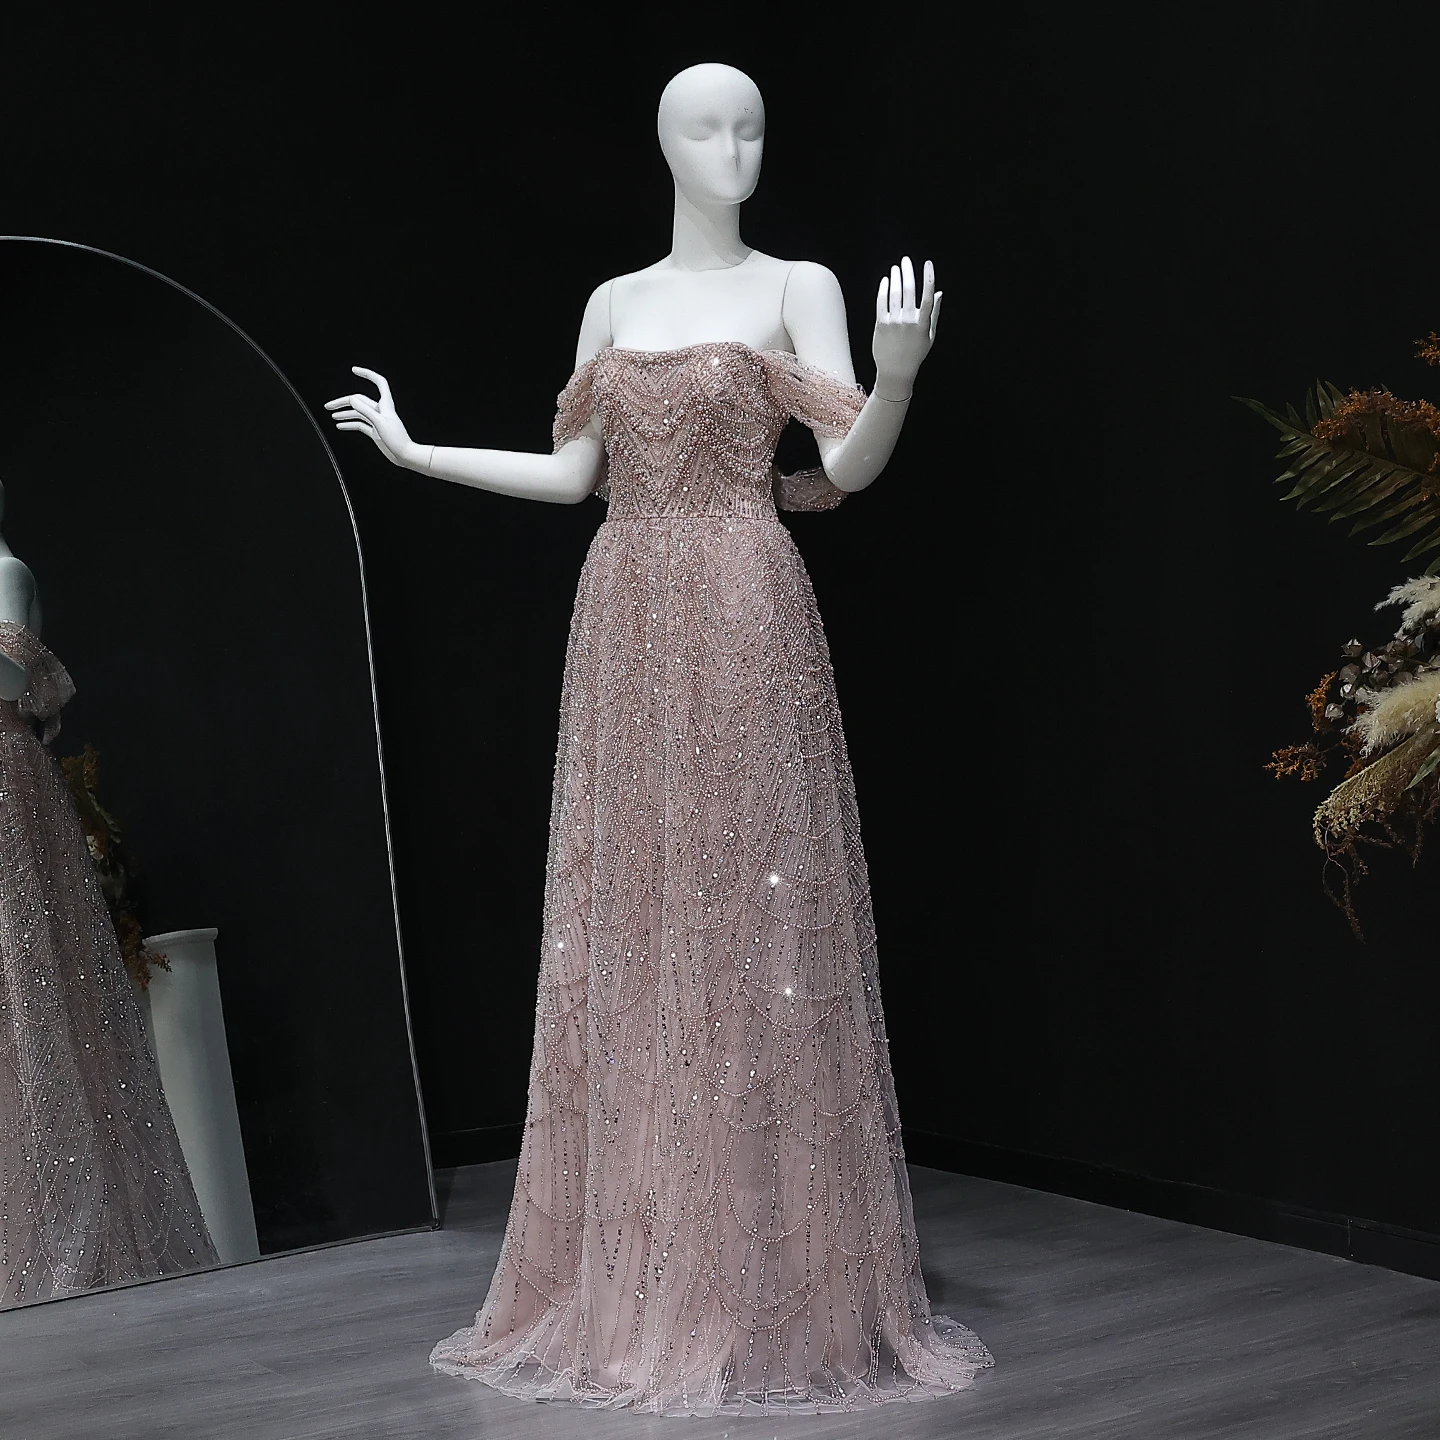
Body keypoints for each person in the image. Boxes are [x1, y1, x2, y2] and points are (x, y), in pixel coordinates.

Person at [328, 61, 991, 1416]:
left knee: (754, 918)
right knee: (634, 918)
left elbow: (844, 468)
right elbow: (578, 477)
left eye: (752, 126)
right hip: (624, 614)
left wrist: (898, 379)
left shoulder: (799, 285)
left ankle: (772, 1279)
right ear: (664, 144)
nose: (735, 147)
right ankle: (647, 1260)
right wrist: (417, 454)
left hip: (745, 595)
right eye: (707, 126)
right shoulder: (614, 303)